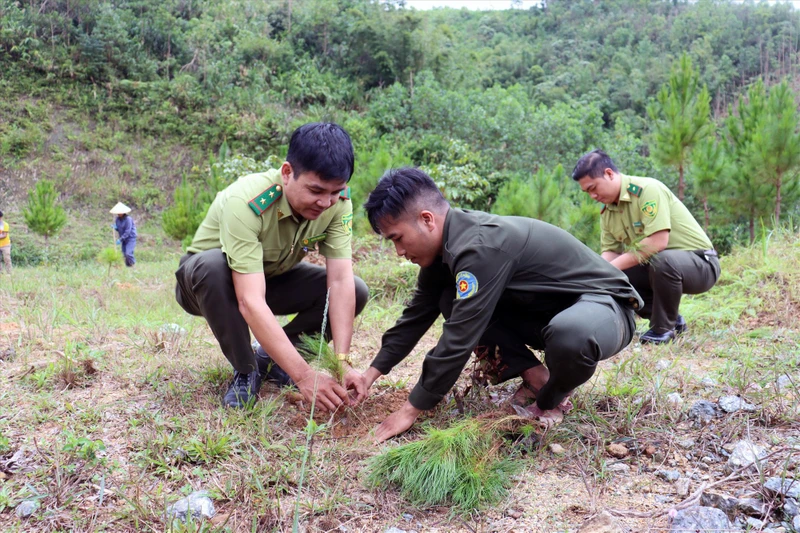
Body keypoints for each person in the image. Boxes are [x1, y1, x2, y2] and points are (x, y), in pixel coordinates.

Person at [354, 167, 642, 442]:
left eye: (398, 239)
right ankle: (536, 378)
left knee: (571, 334)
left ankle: (551, 397)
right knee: (449, 299)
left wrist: (411, 409)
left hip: (607, 307)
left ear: (427, 219)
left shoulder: (478, 247)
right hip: (549, 313)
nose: (400, 251)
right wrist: (370, 375)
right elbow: (415, 317)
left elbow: (459, 337)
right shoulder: (444, 253)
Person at [174, 123, 369, 409]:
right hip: (208, 284)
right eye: (316, 190)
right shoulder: (247, 200)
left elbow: (340, 281)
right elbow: (249, 299)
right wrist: (304, 376)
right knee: (213, 265)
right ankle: (246, 370)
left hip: (272, 277)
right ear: (287, 172)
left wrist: (342, 362)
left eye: (335, 191)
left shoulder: (338, 204)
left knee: (357, 289)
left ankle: (270, 358)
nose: (326, 202)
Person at [571, 150, 721, 344]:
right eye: (587, 192)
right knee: (614, 275)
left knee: (660, 259)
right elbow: (611, 252)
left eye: (593, 188)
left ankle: (662, 330)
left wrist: (609, 269)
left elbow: (657, 243)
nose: (592, 196)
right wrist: (595, 274)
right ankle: (672, 321)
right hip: (662, 266)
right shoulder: (607, 211)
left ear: (609, 173)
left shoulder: (647, 190)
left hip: (702, 265)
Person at [110, 203, 137, 267]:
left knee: (128, 253)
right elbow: (120, 229)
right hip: (123, 238)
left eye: (120, 212)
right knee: (124, 254)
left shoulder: (128, 219)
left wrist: (120, 239)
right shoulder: (117, 219)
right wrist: (116, 228)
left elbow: (128, 231)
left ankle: (133, 265)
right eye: (118, 212)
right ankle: (129, 267)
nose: (118, 213)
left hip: (130, 238)